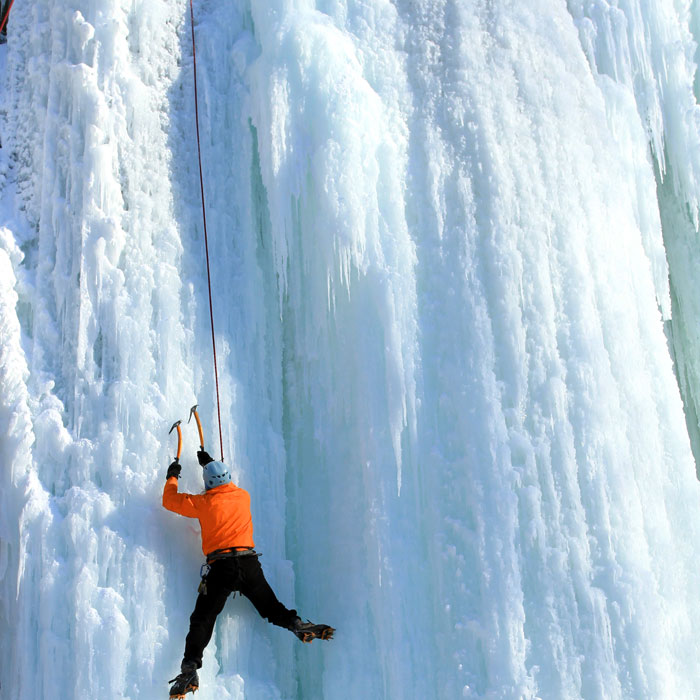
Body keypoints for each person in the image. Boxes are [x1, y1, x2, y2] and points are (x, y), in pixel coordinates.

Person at [163, 450, 333, 698]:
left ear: (208, 484)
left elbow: (170, 501)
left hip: (221, 568)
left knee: (203, 618)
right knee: (271, 607)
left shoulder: (203, 503)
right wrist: (210, 462)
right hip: (249, 564)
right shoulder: (243, 496)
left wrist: (173, 476)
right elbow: (223, 484)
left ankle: (190, 668)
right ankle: (296, 625)